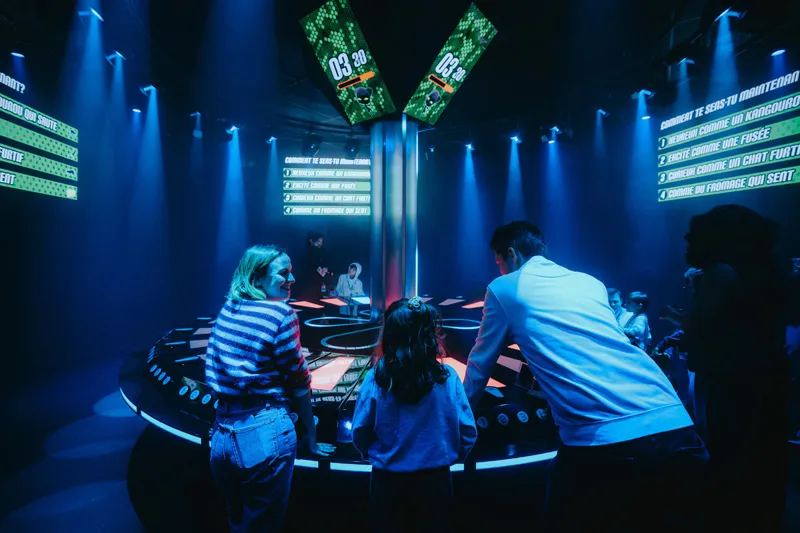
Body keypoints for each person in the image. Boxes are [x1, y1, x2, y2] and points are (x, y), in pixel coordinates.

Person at [463, 221, 706, 532]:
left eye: (499, 263)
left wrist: (455, 421)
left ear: (511, 254)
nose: (499, 270)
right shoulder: (590, 283)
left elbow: (479, 367)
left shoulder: (503, 289)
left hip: (607, 440)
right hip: (675, 423)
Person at [660, 205, 790, 531]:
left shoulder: (719, 274)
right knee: (759, 471)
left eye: (694, 236)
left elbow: (701, 326)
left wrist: (675, 315)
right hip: (760, 384)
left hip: (729, 386)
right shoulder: (762, 275)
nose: (687, 241)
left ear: (715, 239)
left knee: (728, 462)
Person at [205, 245, 335, 532]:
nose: (292, 279)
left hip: (221, 435)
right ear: (257, 277)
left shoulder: (228, 308)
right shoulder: (280, 314)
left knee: (235, 520)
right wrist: (311, 436)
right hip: (263, 433)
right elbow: (299, 384)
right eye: (283, 273)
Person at [352, 297, 478, 533]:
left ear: (389, 335)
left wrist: (376, 456)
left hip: (387, 482)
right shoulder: (448, 377)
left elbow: (360, 432)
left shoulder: (376, 378)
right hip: (436, 482)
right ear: (431, 335)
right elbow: (468, 432)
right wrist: (448, 456)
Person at [296, 231, 333, 301]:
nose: (320, 243)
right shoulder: (309, 252)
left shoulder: (321, 252)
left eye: (321, 241)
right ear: (311, 241)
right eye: (318, 241)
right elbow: (312, 267)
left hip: (317, 284)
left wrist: (325, 270)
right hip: (309, 284)